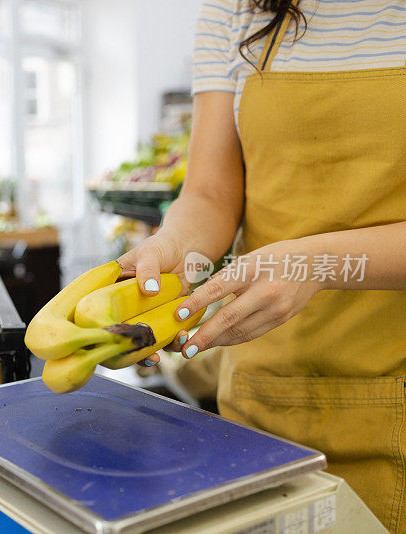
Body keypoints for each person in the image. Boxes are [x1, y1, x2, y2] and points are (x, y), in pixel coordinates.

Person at [118, 0, 406, 530]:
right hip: (262, 403)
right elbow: (208, 191)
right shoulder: (236, 7)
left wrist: (318, 263)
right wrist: (178, 244)